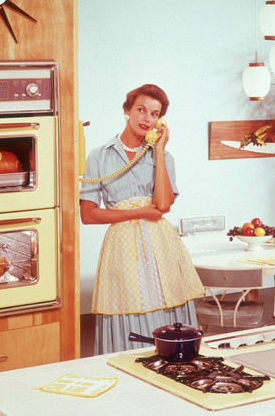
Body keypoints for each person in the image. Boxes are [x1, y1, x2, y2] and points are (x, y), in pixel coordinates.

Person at [79, 83, 205, 355]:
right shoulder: (99, 156)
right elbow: (88, 215)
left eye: (155, 114)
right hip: (122, 246)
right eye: (141, 110)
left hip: (161, 245)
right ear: (127, 110)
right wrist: (139, 212)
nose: (147, 118)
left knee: (167, 301)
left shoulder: (165, 157)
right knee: (127, 304)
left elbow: (162, 205)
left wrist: (158, 151)